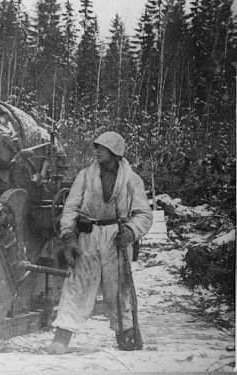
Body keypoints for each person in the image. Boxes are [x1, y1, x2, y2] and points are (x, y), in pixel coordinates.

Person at [49, 131, 153, 354]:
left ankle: (126, 335)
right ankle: (62, 336)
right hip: (88, 236)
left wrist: (131, 232)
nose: (96, 151)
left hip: (116, 238)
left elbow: (144, 214)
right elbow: (71, 208)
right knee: (77, 284)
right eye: (96, 147)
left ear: (115, 153)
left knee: (118, 289)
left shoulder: (132, 180)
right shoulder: (85, 176)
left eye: (101, 148)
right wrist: (69, 237)